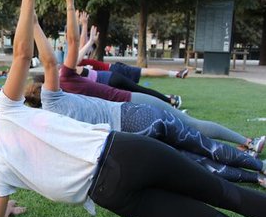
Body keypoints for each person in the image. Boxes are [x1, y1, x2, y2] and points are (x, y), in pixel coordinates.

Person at [0, 0, 266, 217]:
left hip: (109, 191)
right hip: (125, 150)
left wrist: (7, 211)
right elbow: (22, 57)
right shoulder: (7, 113)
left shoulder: (2, 172)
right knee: (226, 193)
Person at [27, 12, 266, 185]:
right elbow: (63, 50)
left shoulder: (52, 121)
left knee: (193, 161)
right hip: (135, 112)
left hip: (126, 140)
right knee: (201, 140)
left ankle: (254, 177)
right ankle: (257, 162)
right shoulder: (60, 88)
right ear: (46, 89)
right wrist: (35, 19)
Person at [57, 10, 259, 150]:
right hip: (131, 107)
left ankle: (247, 144)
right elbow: (75, 45)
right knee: (189, 128)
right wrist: (74, 14)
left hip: (129, 111)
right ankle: (248, 143)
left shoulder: (61, 97)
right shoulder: (64, 79)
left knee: (187, 133)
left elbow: (74, 45)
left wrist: (82, 28)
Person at [77, 13, 188, 79]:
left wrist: (83, 25)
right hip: (113, 70)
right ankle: (176, 75)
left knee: (140, 81)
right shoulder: (76, 62)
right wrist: (84, 24)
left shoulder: (75, 63)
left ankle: (173, 82)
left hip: (113, 70)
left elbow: (82, 44)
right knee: (143, 75)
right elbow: (82, 44)